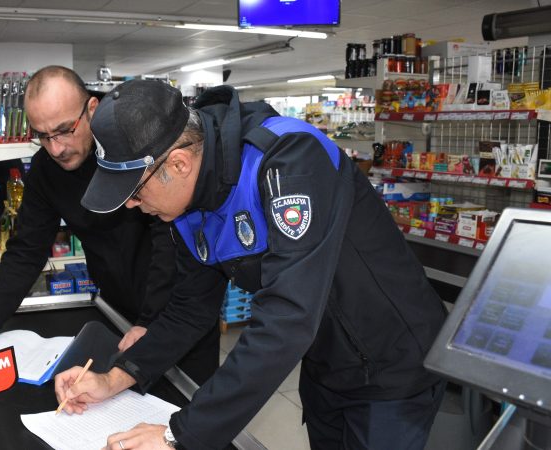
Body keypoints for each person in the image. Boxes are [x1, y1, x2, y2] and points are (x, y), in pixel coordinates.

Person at [55, 80, 449, 450]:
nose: (130, 206)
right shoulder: (187, 206)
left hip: (391, 365)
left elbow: (287, 317)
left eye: (136, 192)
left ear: (177, 164)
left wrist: (178, 436)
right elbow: (190, 308)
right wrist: (114, 378)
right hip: (324, 365)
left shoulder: (289, 159)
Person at [0, 66, 220, 385]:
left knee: (182, 401)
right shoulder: (45, 169)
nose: (56, 148)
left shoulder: (133, 143)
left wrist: (150, 320)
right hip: (114, 310)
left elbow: (168, 235)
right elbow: (27, 248)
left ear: (91, 109)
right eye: (43, 135)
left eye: (65, 130)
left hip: (179, 309)